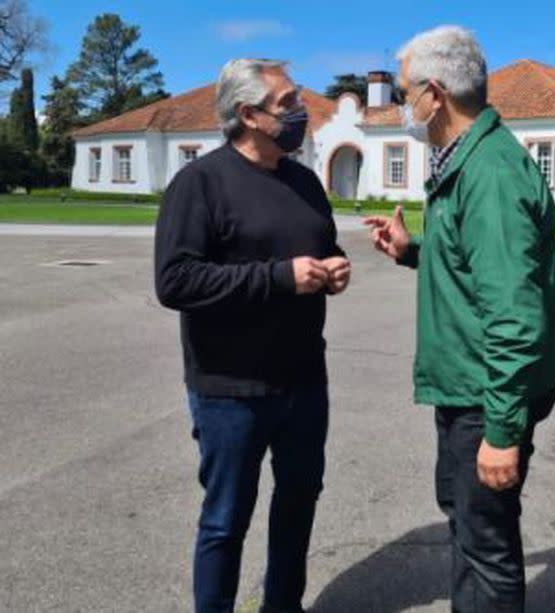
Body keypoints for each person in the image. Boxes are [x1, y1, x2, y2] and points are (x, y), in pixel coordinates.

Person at [364, 26, 555, 612]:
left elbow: (514, 316)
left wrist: (502, 433)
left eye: (406, 91)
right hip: (471, 383)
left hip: (487, 392)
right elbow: (475, 266)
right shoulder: (466, 159)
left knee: (485, 544)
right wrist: (414, 249)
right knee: (466, 520)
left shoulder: (490, 173)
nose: (403, 104)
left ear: (435, 93)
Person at [154, 58, 350, 613]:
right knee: (226, 519)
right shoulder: (200, 183)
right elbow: (175, 280)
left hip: (304, 381)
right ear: (248, 115)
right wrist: (281, 277)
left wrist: (332, 268)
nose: (302, 112)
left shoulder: (304, 180)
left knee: (298, 503)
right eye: (287, 103)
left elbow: (322, 243)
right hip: (229, 389)